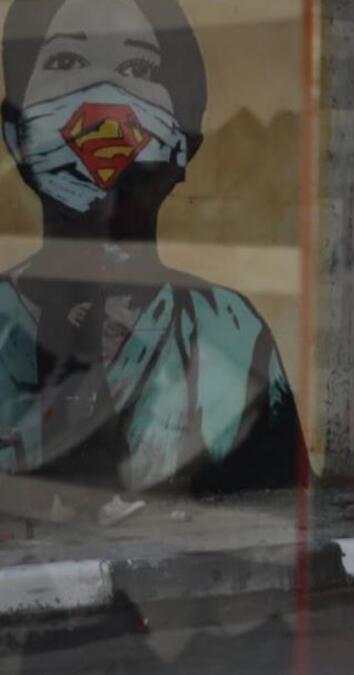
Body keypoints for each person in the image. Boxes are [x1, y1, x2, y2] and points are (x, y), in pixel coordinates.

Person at [0, 0, 306, 504]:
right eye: (67, 62)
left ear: (182, 142)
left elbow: (278, 520)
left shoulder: (228, 333)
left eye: (137, 68)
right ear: (16, 136)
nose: (101, 102)